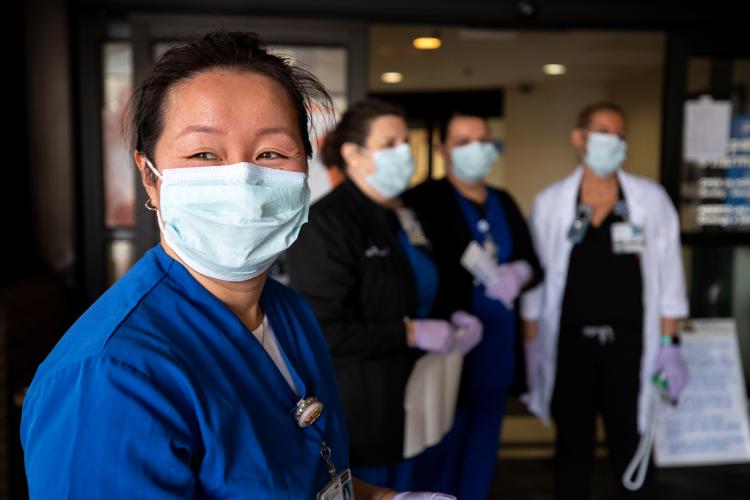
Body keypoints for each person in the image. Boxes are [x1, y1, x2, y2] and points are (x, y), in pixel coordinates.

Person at [20, 31, 449, 499]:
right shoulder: (109, 377)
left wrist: (383, 497)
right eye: (204, 154)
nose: (244, 180)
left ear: (306, 173)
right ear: (150, 177)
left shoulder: (288, 313)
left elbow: (314, 476)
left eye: (272, 154)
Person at [286, 99, 483, 492]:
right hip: (369, 409)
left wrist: (452, 316)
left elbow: (421, 281)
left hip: (424, 393)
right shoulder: (327, 224)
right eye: (389, 143)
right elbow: (326, 331)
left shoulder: (407, 213)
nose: (404, 153)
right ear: (353, 154)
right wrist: (409, 333)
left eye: (405, 141)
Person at [521, 101, 689, 499]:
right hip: (570, 348)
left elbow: (669, 279)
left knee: (629, 446)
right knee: (571, 450)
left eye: (619, 134)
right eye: (603, 132)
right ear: (579, 139)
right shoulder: (551, 203)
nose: (612, 141)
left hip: (631, 347)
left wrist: (669, 345)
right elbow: (536, 284)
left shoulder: (649, 200)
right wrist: (529, 347)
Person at [403, 111, 543, 499]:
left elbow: (534, 263)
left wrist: (520, 272)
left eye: (482, 140)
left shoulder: (504, 201)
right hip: (449, 346)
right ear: (442, 149)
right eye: (463, 141)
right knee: (440, 452)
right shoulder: (424, 200)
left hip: (496, 349)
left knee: (482, 448)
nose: (476, 149)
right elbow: (415, 270)